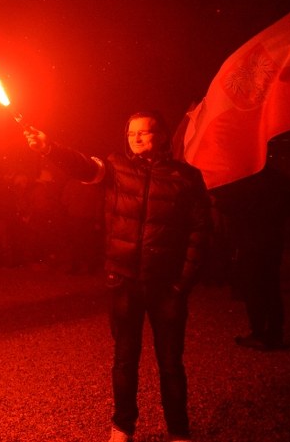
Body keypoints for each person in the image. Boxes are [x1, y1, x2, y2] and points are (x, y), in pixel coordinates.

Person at [24, 111, 211, 442]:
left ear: (163, 137)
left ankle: (179, 430)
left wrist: (183, 282)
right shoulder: (116, 168)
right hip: (124, 282)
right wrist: (49, 148)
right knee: (125, 360)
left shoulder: (186, 177)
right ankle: (123, 426)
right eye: (130, 134)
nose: (136, 138)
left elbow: (200, 231)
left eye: (144, 133)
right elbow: (82, 165)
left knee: (170, 363)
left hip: (166, 287)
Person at [214, 162, 290, 351]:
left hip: (250, 240)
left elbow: (229, 206)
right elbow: (288, 208)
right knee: (270, 285)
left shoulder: (245, 179)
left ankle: (259, 332)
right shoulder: (279, 178)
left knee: (253, 286)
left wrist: (219, 192)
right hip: (272, 240)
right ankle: (275, 332)